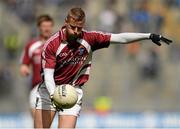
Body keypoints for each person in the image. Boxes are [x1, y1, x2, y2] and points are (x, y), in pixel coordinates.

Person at [34, 7, 172, 128]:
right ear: (66, 22)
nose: (76, 31)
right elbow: (48, 75)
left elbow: (120, 38)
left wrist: (148, 36)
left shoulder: (90, 38)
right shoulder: (52, 44)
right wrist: (54, 95)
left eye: (79, 28)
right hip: (49, 92)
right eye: (72, 27)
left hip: (73, 92)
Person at [20, 14, 54, 118]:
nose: (47, 29)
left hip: (54, 89)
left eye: (49, 26)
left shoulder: (58, 44)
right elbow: (24, 65)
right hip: (37, 88)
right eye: (44, 26)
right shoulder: (31, 45)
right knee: (37, 123)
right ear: (39, 27)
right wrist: (24, 69)